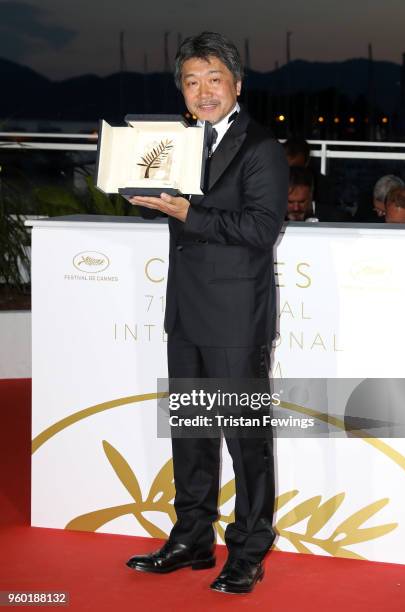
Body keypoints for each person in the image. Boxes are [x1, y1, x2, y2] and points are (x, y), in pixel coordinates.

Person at [125, 31, 288, 595]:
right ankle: (192, 537)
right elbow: (176, 213)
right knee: (190, 434)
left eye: (213, 79)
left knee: (246, 440)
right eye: (191, 82)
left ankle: (249, 549)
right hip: (186, 314)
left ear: (236, 85)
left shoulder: (261, 146)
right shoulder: (178, 144)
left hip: (237, 318)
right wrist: (149, 199)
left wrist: (187, 213)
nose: (203, 91)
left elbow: (262, 229)